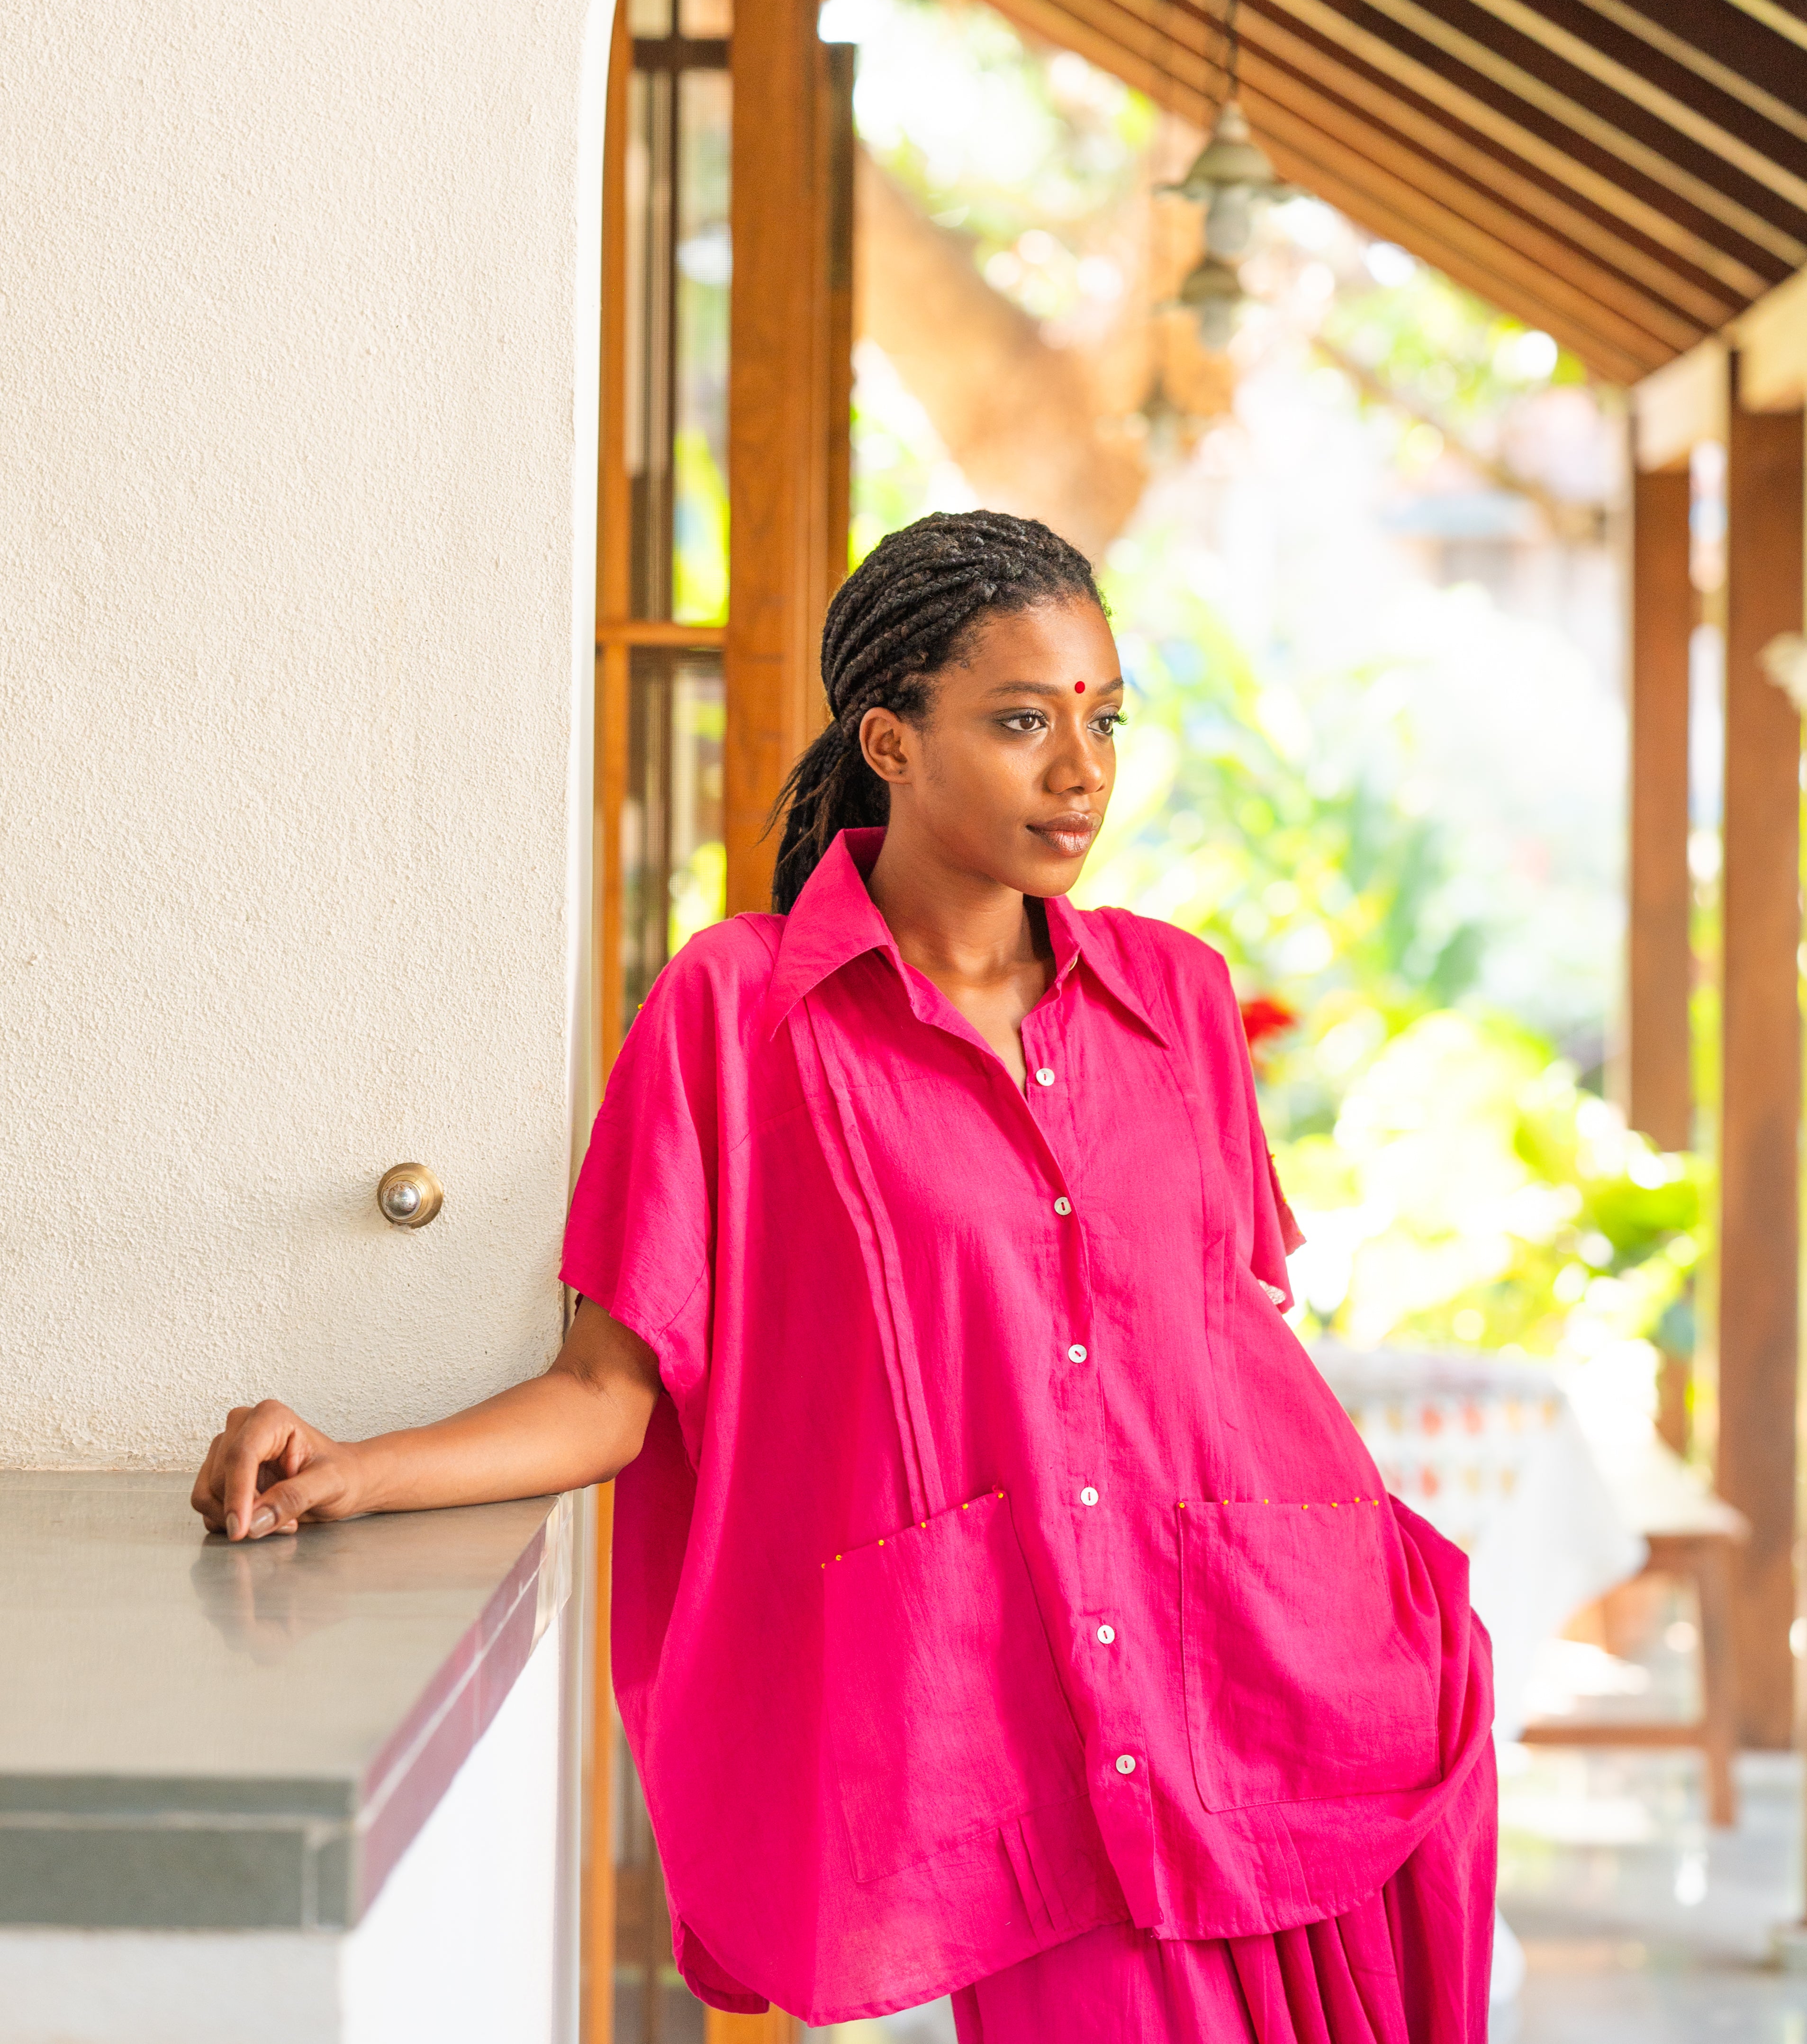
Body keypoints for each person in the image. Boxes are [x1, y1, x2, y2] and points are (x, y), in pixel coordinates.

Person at [193, 510, 1495, 2041]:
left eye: (1104, 719)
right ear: (890, 739)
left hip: (1278, 1681)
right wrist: (356, 1471)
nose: (1082, 771)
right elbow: (614, 1394)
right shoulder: (736, 1016)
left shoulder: (1179, 998)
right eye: (1023, 722)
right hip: (1017, 1720)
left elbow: (1225, 1364)